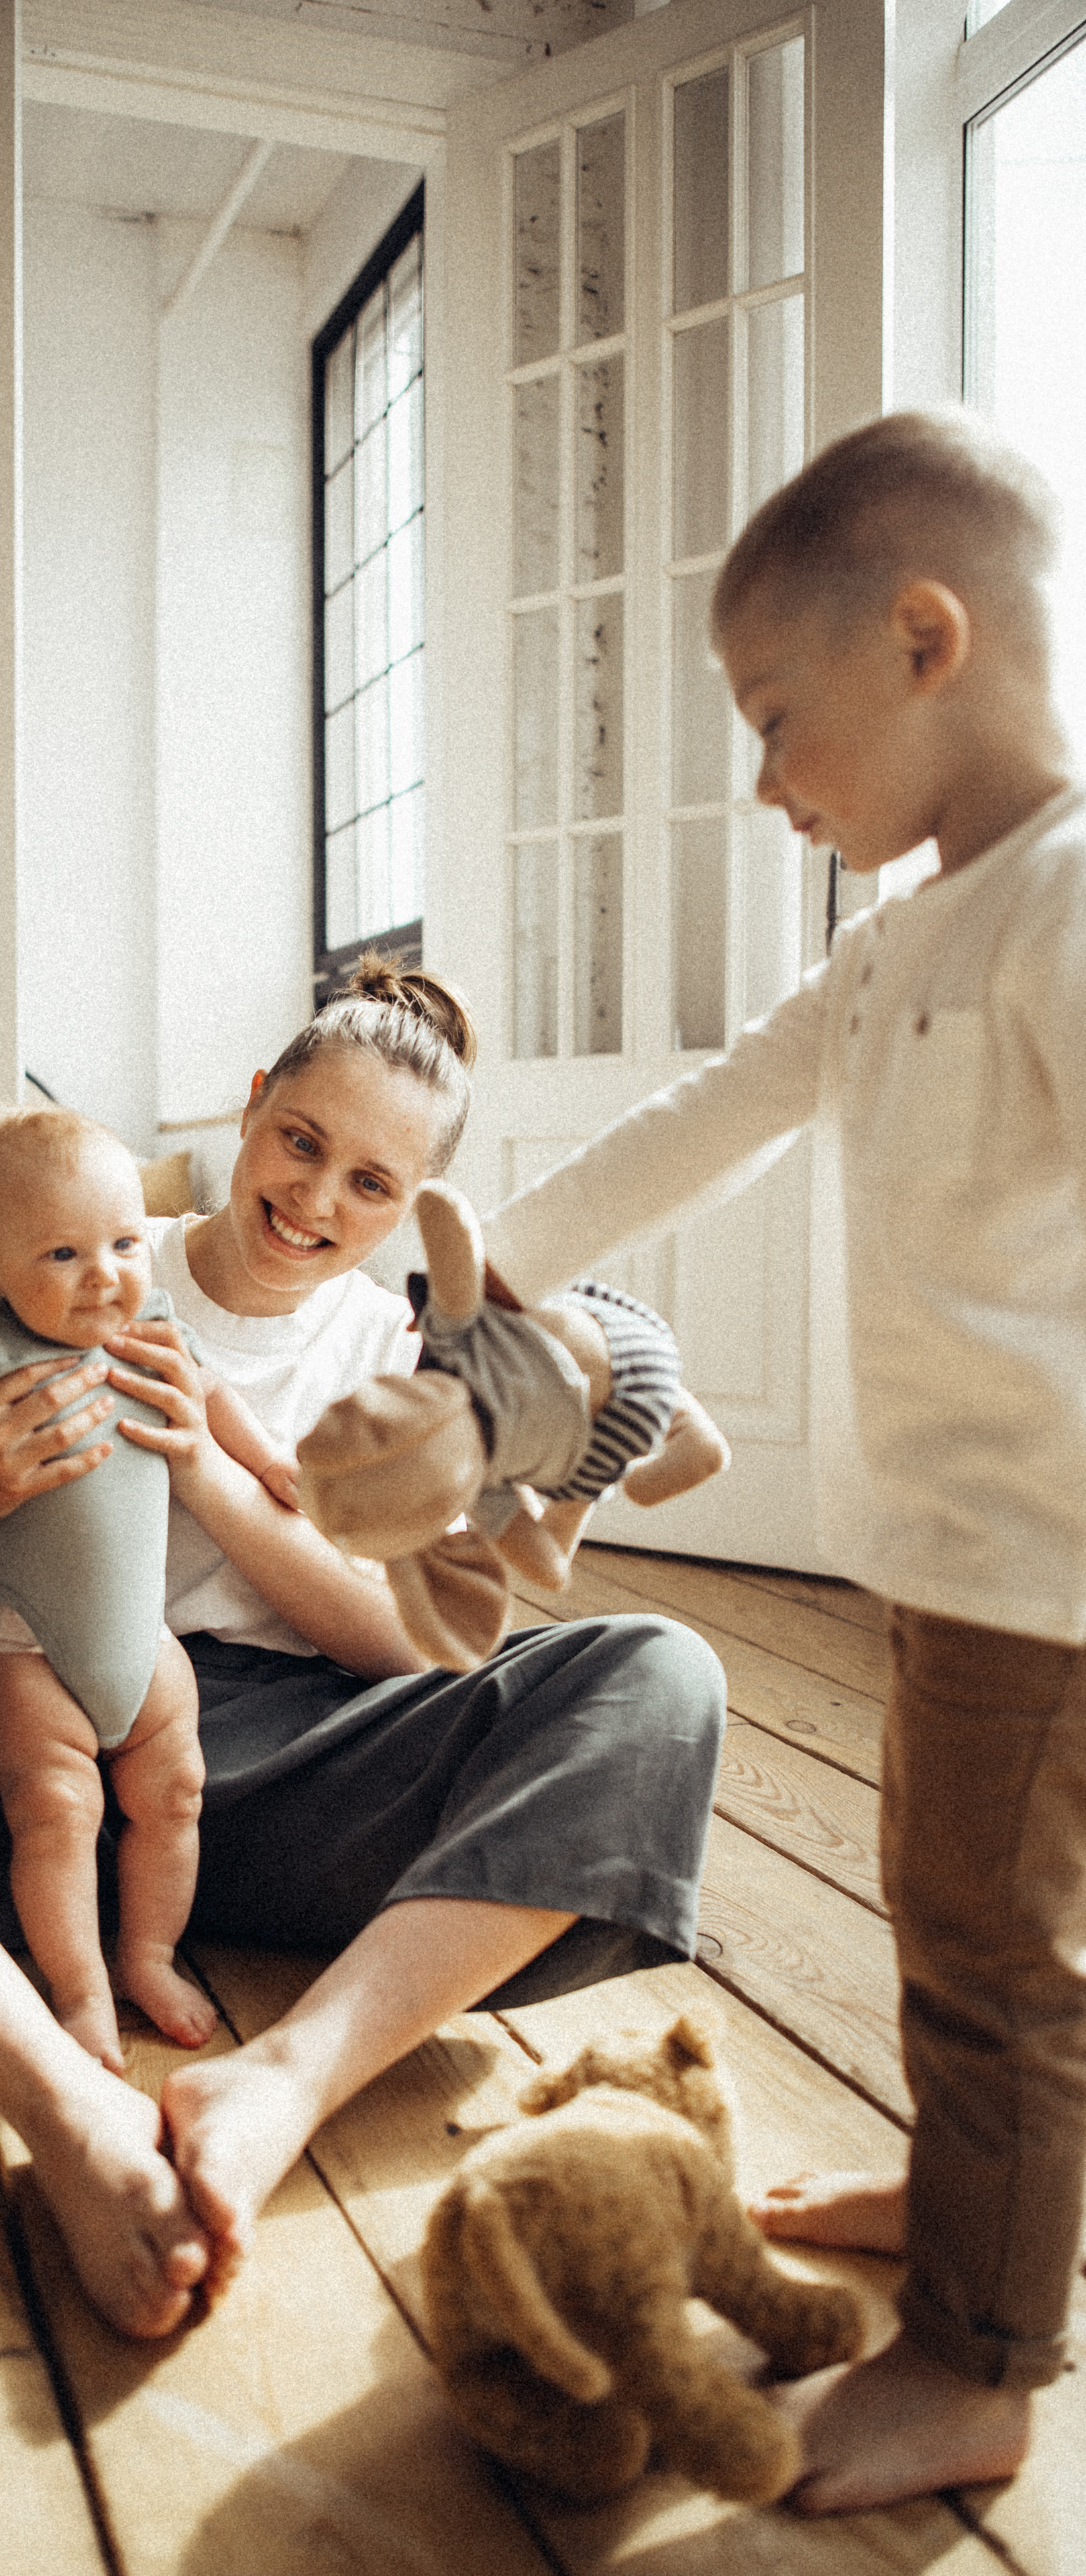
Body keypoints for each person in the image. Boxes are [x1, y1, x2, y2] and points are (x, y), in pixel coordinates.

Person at [0, 959, 727, 2343]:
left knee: (658, 1676)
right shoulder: (80, 1238)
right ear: (252, 1111)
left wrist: (208, 1476)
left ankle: (282, 2084)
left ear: (413, 1211)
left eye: (371, 1186)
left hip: (296, 1769)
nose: (316, 1200)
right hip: (31, 1754)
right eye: (300, 1143)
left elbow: (405, 1642)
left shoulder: (402, 1356)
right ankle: (63, 2097)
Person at [476, 411, 1085, 2514]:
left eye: (775, 717)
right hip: (956, 1555)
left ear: (927, 638)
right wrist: (487, 1260)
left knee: (991, 1950)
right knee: (979, 1930)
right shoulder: (905, 934)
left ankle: (984, 2360)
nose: (764, 781)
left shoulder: (1072, 903)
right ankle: (977, 2197)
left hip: (1056, 1567)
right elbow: (712, 1115)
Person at [0, 1106, 300, 2072]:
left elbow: (212, 1393)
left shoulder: (151, 1322)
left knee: (176, 1792)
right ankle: (80, 1992)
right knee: (57, 1812)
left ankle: (146, 1955)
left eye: (121, 1241)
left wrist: (270, 1461)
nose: (104, 1273)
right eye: (63, 1254)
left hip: (146, 1647)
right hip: (29, 1650)